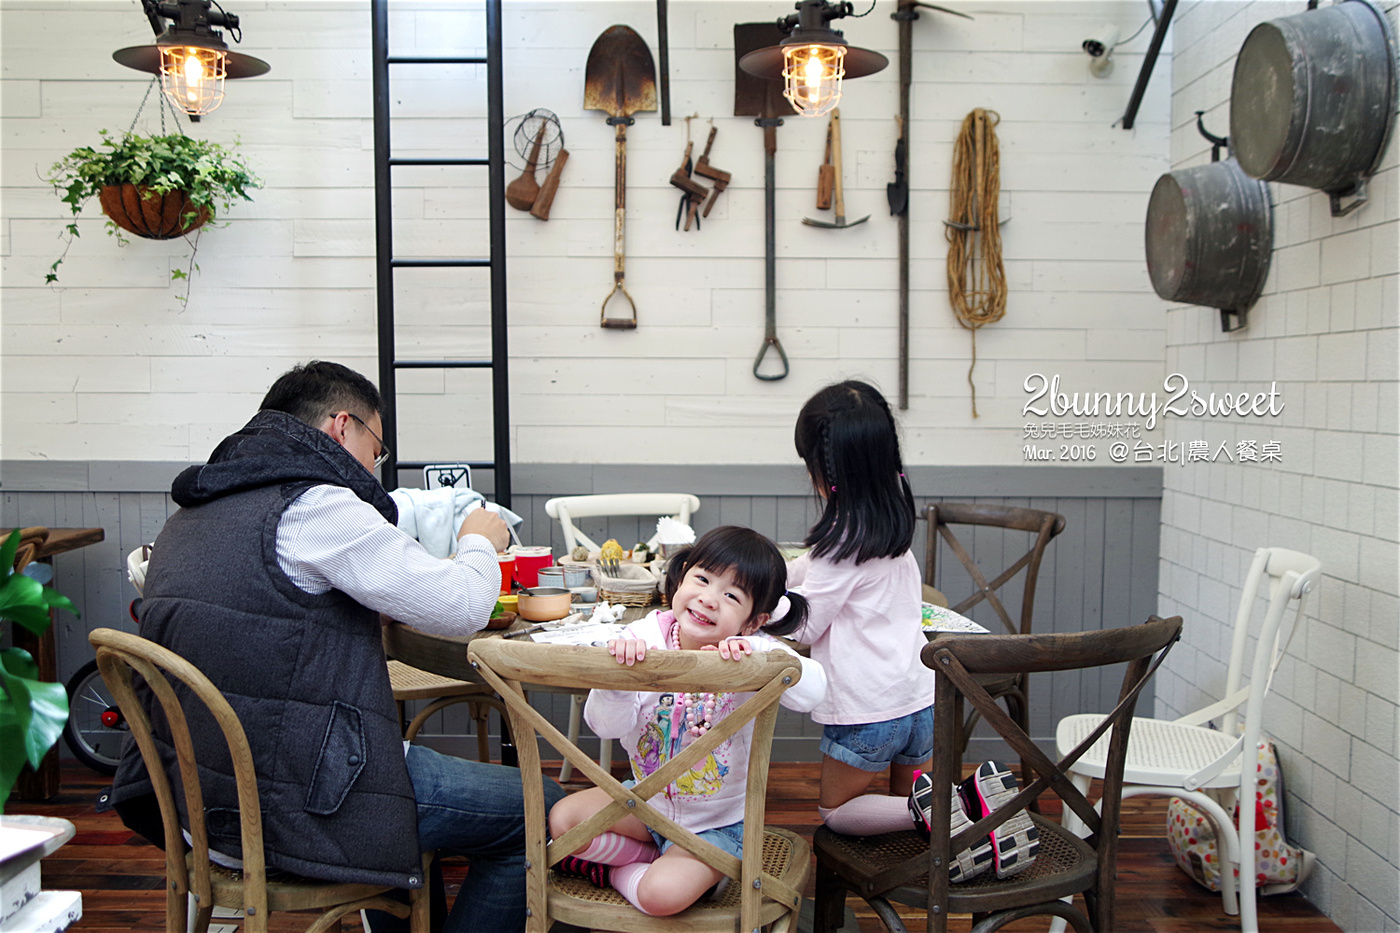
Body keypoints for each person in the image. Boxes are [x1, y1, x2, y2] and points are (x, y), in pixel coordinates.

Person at [107, 360, 566, 932]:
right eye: (377, 447)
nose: (376, 465)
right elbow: (462, 607)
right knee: (542, 806)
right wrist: (477, 539)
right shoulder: (315, 506)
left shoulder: (199, 507)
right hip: (300, 801)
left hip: (197, 799)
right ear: (340, 427)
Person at [786, 380, 1038, 878]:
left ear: (826, 471)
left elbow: (806, 625)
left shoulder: (840, 544)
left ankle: (954, 807)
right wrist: (786, 572)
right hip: (920, 697)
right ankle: (957, 821)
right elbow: (818, 570)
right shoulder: (892, 525)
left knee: (837, 813)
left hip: (867, 711)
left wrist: (767, 607)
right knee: (913, 803)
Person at [547, 526, 828, 916]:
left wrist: (763, 658)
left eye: (731, 595)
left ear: (752, 621)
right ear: (680, 578)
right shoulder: (642, 638)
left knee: (660, 896)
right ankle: (650, 857)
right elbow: (605, 727)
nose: (709, 599)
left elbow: (815, 692)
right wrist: (617, 681)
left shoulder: (751, 651)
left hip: (718, 825)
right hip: (645, 804)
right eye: (702, 579)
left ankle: (620, 872)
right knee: (563, 821)